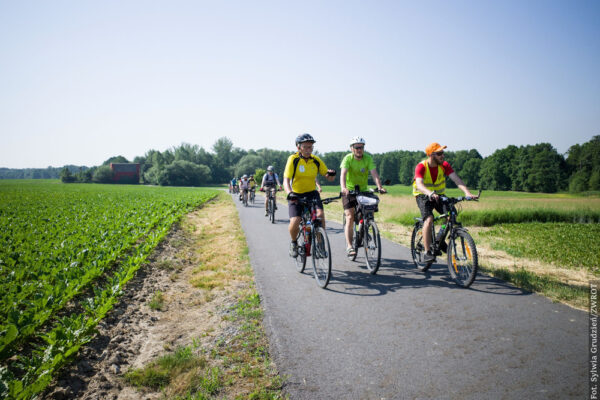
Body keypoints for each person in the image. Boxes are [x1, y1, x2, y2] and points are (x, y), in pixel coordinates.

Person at [413, 142, 477, 262]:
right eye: (440, 153)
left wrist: (467, 193)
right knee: (429, 219)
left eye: (443, 153)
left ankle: (438, 240)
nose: (443, 155)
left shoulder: (444, 165)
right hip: (423, 195)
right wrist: (429, 193)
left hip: (439, 196)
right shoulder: (421, 166)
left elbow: (456, 179)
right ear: (431, 155)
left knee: (451, 214)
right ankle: (427, 252)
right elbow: (419, 184)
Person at [283, 133, 336, 257]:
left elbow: (328, 178)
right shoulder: (293, 159)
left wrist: (332, 174)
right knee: (296, 220)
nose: (309, 150)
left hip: (312, 193)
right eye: (306, 147)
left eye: (311, 147)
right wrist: (289, 193)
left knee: (320, 215)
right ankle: (294, 242)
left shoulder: (315, 160)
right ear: (298, 147)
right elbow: (286, 179)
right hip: (296, 194)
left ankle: (320, 243)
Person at [340, 136, 386, 256]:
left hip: (363, 190)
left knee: (368, 213)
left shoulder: (368, 158)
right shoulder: (347, 159)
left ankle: (365, 227)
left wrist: (379, 186)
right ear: (352, 149)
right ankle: (350, 246)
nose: (360, 149)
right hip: (349, 191)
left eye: (362, 147)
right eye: (357, 147)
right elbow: (343, 174)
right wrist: (343, 188)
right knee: (350, 217)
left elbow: (374, 173)